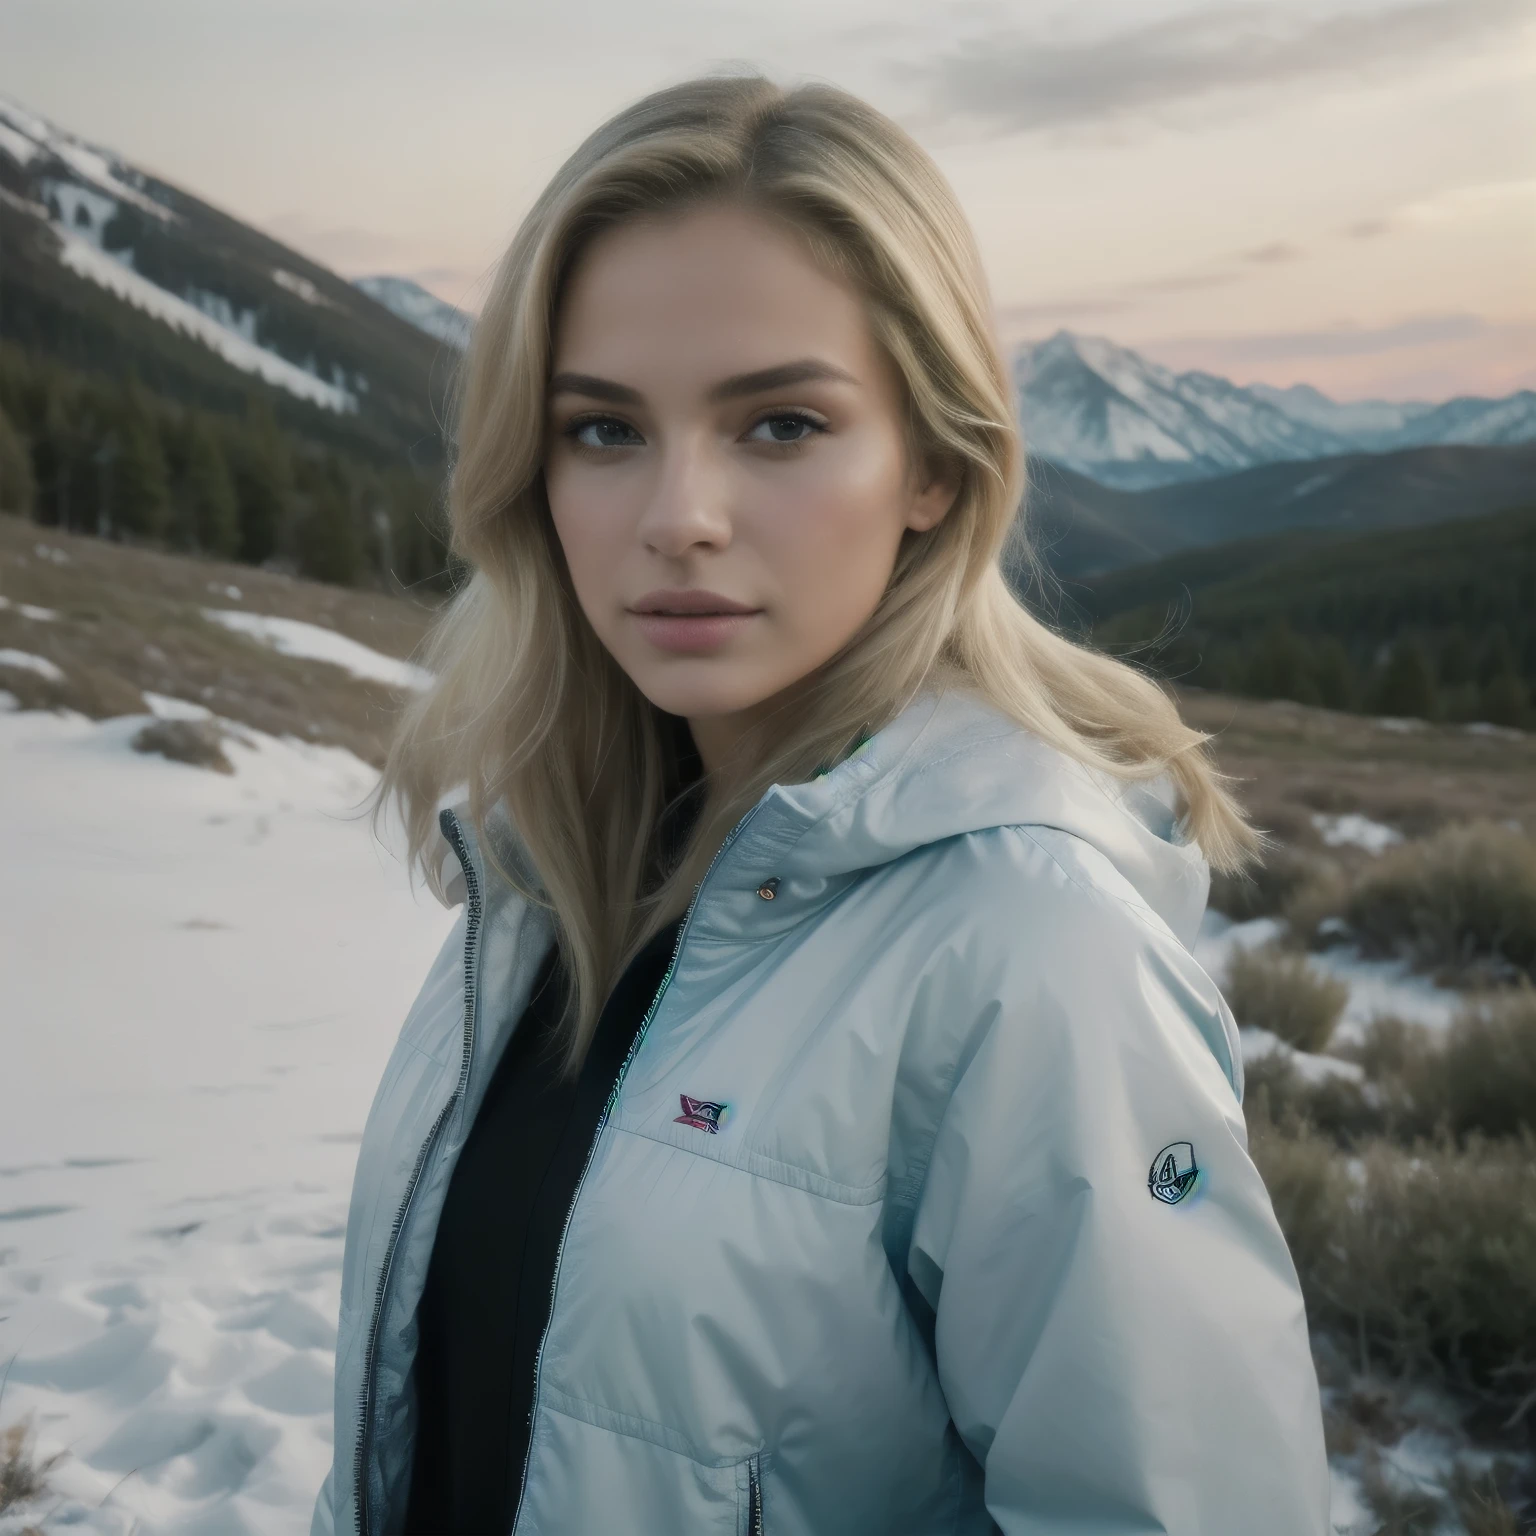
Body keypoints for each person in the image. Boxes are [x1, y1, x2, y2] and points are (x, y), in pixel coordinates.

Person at [312, 73, 1330, 1536]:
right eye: (603, 430)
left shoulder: (1028, 949)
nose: (678, 515)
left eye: (779, 425)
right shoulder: (548, 880)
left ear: (933, 463)